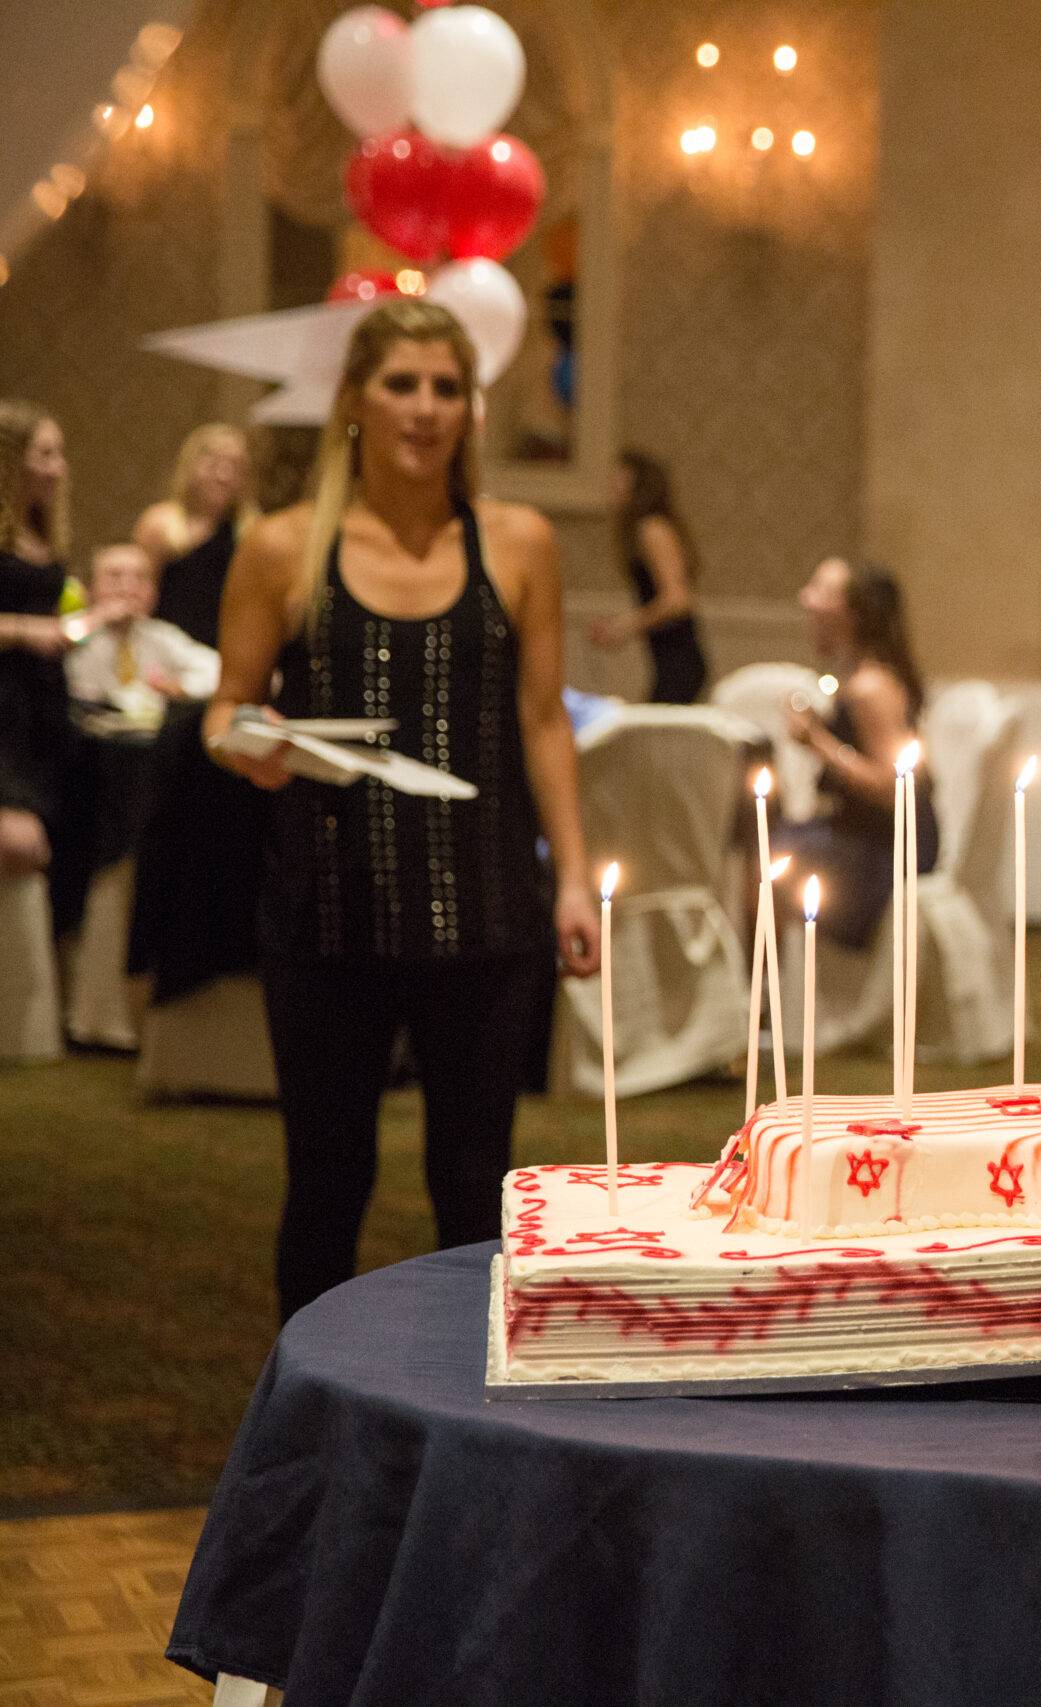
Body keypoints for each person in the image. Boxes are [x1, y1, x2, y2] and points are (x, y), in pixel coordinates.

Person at [206, 299, 599, 1326]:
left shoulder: (520, 542)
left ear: (470, 408)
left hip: (486, 910)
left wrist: (575, 881)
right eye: (401, 385)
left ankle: (469, 1422)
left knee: (475, 1189)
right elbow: (223, 708)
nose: (425, 409)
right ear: (353, 403)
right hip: (329, 912)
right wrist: (252, 745)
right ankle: (314, 1424)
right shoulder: (283, 547)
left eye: (446, 388)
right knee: (327, 1183)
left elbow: (545, 720)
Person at [776, 556, 935, 951]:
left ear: (851, 614)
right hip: (870, 838)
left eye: (819, 591)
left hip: (884, 852)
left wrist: (818, 742)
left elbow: (893, 788)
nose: (805, 599)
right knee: (772, 841)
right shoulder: (864, 677)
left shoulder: (871, 687)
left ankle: (769, 987)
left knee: (767, 856)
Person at [0, 401, 77, 887]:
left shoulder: (38, 526)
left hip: (42, 715)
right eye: (45, 455)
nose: (59, 468)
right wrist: (28, 632)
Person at [589, 450, 709, 704]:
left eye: (620, 479)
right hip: (670, 659)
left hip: (680, 660)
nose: (612, 486)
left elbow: (678, 600)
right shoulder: (648, 528)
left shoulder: (652, 529)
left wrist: (622, 627)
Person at [135, 423, 256, 650]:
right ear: (190, 466)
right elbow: (140, 600)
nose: (223, 475)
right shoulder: (159, 524)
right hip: (167, 653)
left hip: (224, 653)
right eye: (214, 464)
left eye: (234, 467)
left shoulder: (252, 531)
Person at [66, 543, 220, 720]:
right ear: (89, 588)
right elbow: (60, 646)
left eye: (140, 578)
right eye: (115, 577)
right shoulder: (76, 630)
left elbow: (217, 670)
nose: (128, 588)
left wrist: (180, 686)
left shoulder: (162, 635)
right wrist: (97, 618)